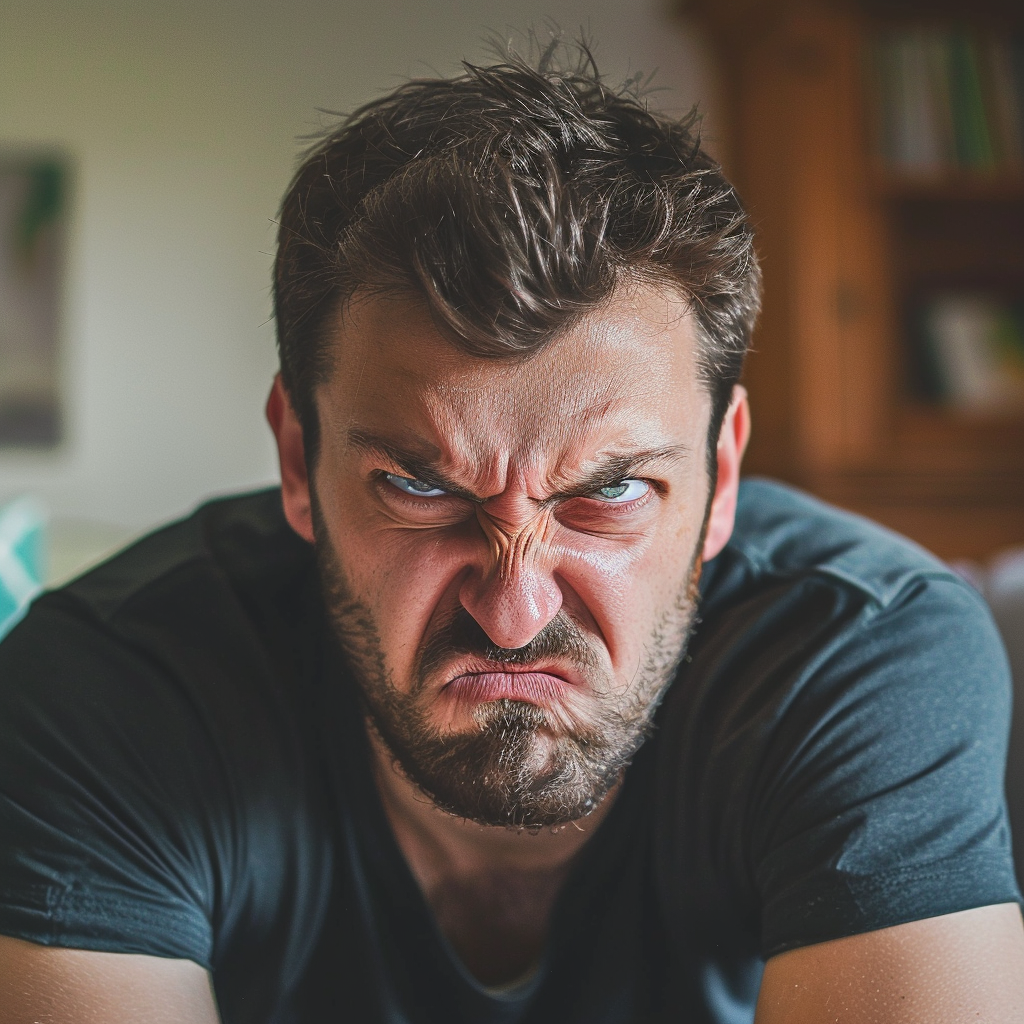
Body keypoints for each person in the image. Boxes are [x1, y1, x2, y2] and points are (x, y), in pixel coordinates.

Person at [0, 43, 1022, 1024]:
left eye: (610, 491)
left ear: (721, 477)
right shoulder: (106, 681)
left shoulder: (859, 649)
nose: (514, 608)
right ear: (295, 458)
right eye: (416, 484)